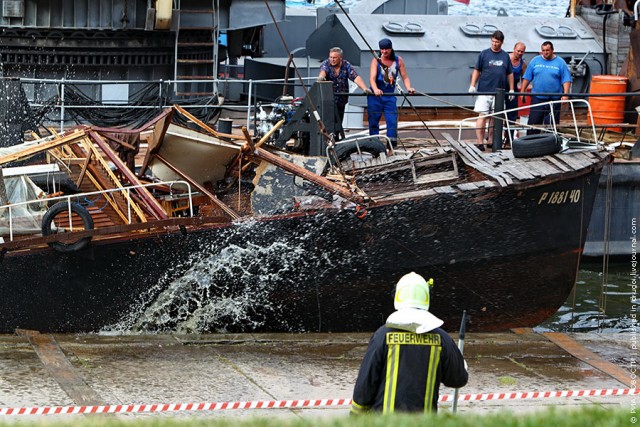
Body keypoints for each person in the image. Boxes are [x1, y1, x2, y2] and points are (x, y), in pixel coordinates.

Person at [350, 272, 468, 414]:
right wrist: (462, 365)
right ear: (426, 298)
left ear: (397, 296)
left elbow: (365, 384)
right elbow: (457, 379)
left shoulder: (382, 336)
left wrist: (355, 415)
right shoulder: (441, 339)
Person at [468, 30, 515, 151]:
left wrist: (511, 89)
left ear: (501, 42)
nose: (494, 44)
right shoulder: (484, 54)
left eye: (497, 42)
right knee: (482, 116)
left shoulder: (505, 56)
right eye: (493, 41)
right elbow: (477, 70)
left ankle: (490, 140)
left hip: (499, 92)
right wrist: (472, 85)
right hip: (484, 91)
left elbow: (509, 73)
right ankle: (479, 142)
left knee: (495, 118)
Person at [367, 38, 415, 150]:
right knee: (373, 121)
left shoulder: (399, 60)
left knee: (392, 121)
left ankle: (391, 147)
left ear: (391, 49)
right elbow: (372, 79)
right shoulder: (376, 61)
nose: (384, 52)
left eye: (386, 50)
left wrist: (408, 88)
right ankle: (374, 147)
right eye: (382, 50)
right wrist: (375, 89)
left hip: (389, 96)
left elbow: (405, 77)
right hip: (375, 97)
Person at [318, 47, 370, 140]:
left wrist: (365, 88)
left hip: (341, 100)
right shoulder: (326, 64)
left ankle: (336, 140)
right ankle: (327, 140)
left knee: (339, 122)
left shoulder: (346, 65)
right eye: (331, 57)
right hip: (328, 100)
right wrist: (321, 78)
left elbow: (355, 77)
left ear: (340, 58)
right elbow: (323, 72)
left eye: (334, 58)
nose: (332, 60)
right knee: (328, 122)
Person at [520, 41, 572, 134]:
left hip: (554, 99)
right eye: (543, 50)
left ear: (552, 50)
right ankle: (531, 144)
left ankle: (550, 144)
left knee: (551, 127)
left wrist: (565, 95)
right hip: (537, 98)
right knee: (533, 125)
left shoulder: (560, 62)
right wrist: (522, 91)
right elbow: (527, 77)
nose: (545, 52)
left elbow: (566, 79)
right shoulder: (535, 61)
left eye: (547, 50)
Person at [505, 42, 527, 144]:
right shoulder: (506, 58)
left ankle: (509, 137)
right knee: (497, 113)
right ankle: (492, 137)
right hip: (502, 87)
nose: (519, 53)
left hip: (513, 89)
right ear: (514, 49)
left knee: (512, 114)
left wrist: (523, 92)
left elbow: (524, 79)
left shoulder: (522, 64)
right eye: (518, 51)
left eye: (522, 51)